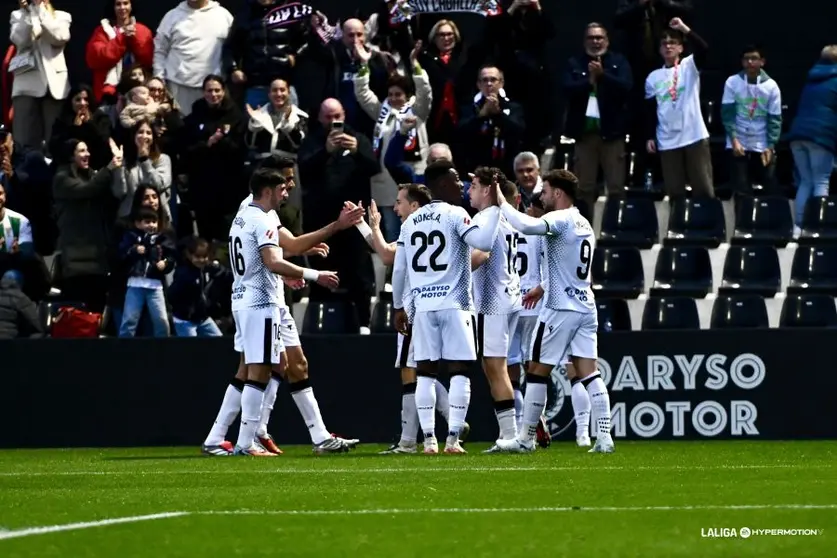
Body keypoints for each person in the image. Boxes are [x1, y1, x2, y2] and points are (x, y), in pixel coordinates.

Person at [201, 166, 359, 456]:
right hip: (259, 302)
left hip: (264, 299)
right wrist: (315, 274)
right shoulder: (260, 218)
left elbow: (281, 248)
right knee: (257, 369)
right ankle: (245, 441)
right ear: (267, 189)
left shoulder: (250, 211)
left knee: (291, 364)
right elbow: (272, 259)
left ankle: (317, 436)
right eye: (284, 184)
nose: (289, 189)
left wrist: (290, 268)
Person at [492, 169, 614, 454]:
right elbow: (572, 266)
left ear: (558, 193)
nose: (542, 196)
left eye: (545, 191)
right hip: (585, 305)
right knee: (590, 373)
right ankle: (605, 437)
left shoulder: (558, 218)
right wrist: (543, 285)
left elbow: (525, 225)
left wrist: (501, 201)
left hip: (559, 308)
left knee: (536, 371)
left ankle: (524, 438)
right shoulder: (583, 222)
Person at [391, 159, 501, 454]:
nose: (461, 186)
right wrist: (494, 208)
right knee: (459, 371)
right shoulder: (456, 214)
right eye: (455, 180)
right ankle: (452, 439)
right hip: (456, 304)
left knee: (425, 371)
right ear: (440, 184)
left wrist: (398, 306)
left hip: (423, 307)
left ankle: (429, 440)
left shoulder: (410, 221)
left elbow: (399, 269)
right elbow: (483, 241)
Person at [350, 187, 461, 454]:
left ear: (414, 206)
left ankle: (412, 440)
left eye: (399, 203)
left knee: (415, 371)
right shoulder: (440, 223)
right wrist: (364, 225)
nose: (396, 209)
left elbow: (388, 256)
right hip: (439, 304)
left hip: (416, 307)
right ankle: (445, 422)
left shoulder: (414, 227)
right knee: (421, 369)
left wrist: (370, 226)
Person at [467, 170, 522, 449]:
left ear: (488, 190)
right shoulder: (507, 215)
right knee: (495, 367)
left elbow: (483, 252)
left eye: (475, 186)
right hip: (510, 297)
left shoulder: (487, 217)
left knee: (496, 367)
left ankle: (511, 436)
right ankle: (510, 434)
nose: (469, 191)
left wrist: (451, 272)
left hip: (492, 302)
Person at [644, 18, 712, 198]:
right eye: (664, 43)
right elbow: (651, 110)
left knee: (703, 189)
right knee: (675, 192)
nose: (668, 46)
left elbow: (704, 48)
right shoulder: (653, 77)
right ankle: (680, 225)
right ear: (659, 49)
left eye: (673, 43)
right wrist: (651, 135)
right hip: (667, 139)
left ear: (681, 48)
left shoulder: (688, 66)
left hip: (694, 136)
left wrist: (684, 29)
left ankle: (706, 225)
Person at [52, 138, 123, 312]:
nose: (87, 154)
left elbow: (111, 192)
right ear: (71, 156)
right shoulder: (62, 179)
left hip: (97, 255)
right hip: (75, 255)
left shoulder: (94, 174)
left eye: (88, 150)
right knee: (76, 310)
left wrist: (117, 169)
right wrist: (110, 168)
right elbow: (87, 189)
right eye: (82, 151)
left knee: (96, 307)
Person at [786, 45, 837, 234]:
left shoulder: (811, 79)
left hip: (797, 135)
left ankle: (798, 228)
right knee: (821, 181)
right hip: (821, 137)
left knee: (806, 181)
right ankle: (819, 226)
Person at [9, 0, 72, 152]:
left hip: (55, 85)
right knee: (25, 141)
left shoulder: (61, 16)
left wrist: (42, 14)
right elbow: (20, 40)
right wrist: (28, 14)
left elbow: (60, 37)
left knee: (55, 140)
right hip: (26, 84)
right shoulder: (18, 15)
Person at [721, 44, 783, 198]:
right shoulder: (732, 82)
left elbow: (775, 119)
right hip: (738, 138)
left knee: (769, 182)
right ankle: (742, 220)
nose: (750, 62)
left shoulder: (771, 86)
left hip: (762, 140)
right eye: (746, 59)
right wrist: (734, 139)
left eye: (754, 59)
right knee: (741, 186)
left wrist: (770, 146)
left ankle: (770, 219)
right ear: (742, 62)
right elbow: (727, 114)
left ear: (762, 62)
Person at [153, 0, 233, 116]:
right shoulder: (171, 16)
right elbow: (160, 51)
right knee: (180, 131)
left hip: (213, 91)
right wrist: (159, 79)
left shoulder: (223, 15)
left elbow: (234, 49)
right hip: (178, 88)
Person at [117, 206, 174, 338]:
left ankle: (163, 349)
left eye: (154, 222)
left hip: (155, 285)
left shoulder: (162, 239)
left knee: (161, 320)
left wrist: (165, 262)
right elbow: (121, 254)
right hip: (135, 284)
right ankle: (124, 349)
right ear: (138, 223)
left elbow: (171, 256)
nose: (151, 225)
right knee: (129, 320)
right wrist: (134, 250)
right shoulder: (131, 237)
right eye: (147, 222)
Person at [85, 0, 154, 103]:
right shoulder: (101, 31)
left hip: (139, 90)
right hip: (110, 93)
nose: (122, 7)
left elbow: (148, 60)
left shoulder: (142, 30)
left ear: (131, 6)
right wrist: (122, 38)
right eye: (118, 4)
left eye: (126, 3)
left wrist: (134, 39)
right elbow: (95, 59)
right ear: (113, 7)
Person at [168, 236, 223, 337]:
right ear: (189, 255)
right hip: (185, 320)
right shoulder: (183, 274)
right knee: (191, 349)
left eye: (205, 256)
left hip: (203, 317)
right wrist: (185, 308)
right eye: (197, 257)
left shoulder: (208, 270)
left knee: (218, 341)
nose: (201, 260)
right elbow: (171, 294)